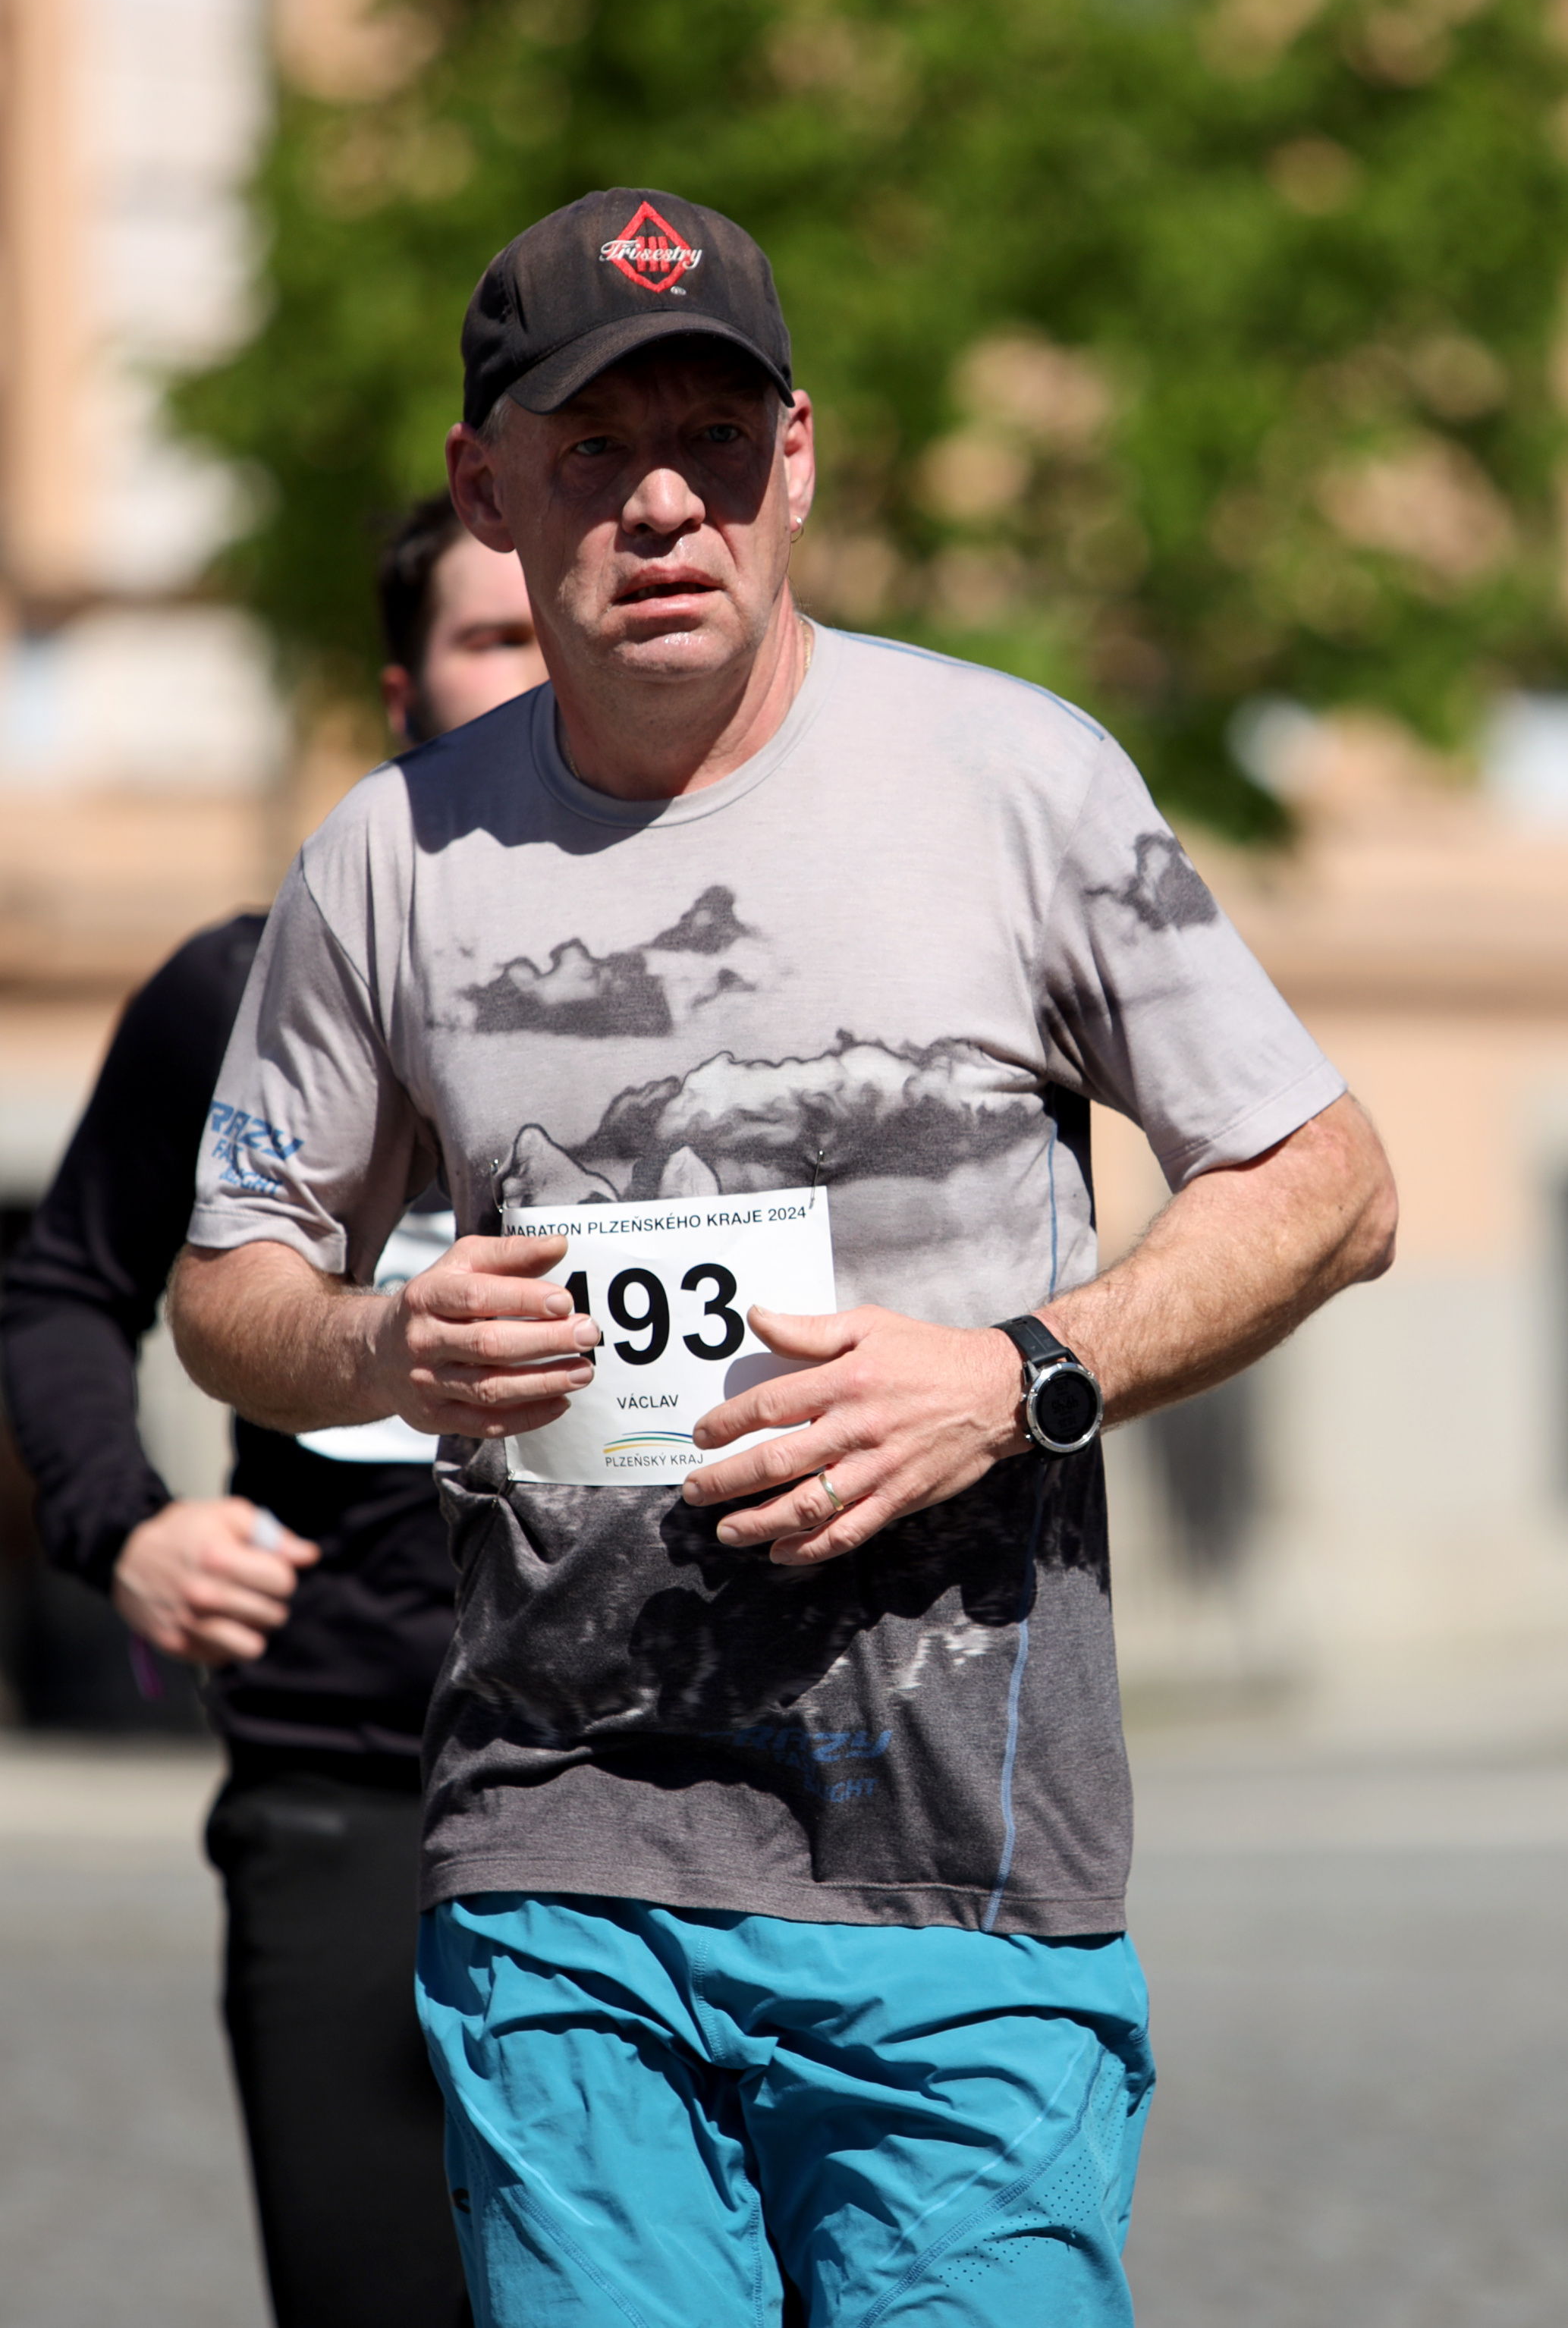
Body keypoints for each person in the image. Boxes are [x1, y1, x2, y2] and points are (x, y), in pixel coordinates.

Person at [169, 187, 1398, 2328]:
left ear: (795, 460)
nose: (662, 503)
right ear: (485, 486)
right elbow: (226, 1288)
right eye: (591, 446)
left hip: (958, 1880)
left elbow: (1327, 1180)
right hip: (557, 1858)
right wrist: (385, 1345)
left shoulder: (1016, 781)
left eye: (712, 441)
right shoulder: (390, 857)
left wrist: (1010, 1373)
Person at [0, 495, 547, 2328]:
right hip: (351, 1785)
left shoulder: (746, 987)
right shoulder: (238, 991)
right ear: (402, 693)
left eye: (559, 625)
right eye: (491, 634)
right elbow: (64, 1283)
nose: (539, 664)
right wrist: (123, 1526)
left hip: (681, 1783)